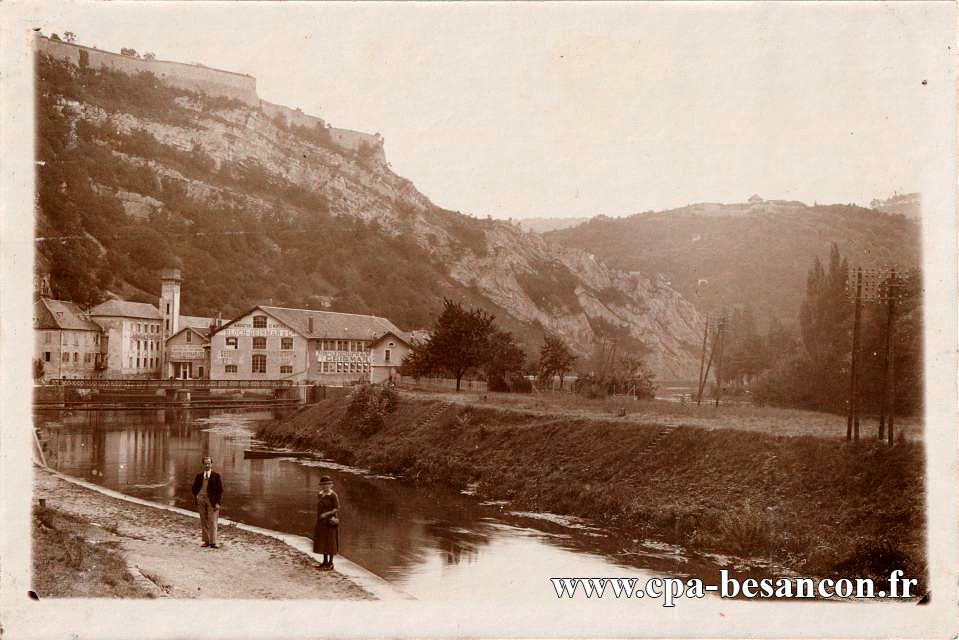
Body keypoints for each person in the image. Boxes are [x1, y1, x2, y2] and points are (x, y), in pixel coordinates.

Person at [191, 456, 223, 548]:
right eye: (205, 463)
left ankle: (213, 542)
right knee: (203, 520)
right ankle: (206, 541)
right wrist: (197, 496)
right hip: (201, 499)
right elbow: (194, 488)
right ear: (203, 465)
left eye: (209, 463)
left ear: (211, 464)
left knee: (212, 520)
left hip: (212, 501)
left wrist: (218, 503)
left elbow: (220, 491)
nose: (207, 465)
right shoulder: (199, 476)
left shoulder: (216, 476)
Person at [313, 476, 339, 570]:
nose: (325, 486)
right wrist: (321, 516)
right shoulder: (320, 494)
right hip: (321, 521)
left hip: (330, 521)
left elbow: (336, 508)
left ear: (331, 485)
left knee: (330, 541)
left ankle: (330, 563)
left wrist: (326, 514)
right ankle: (324, 562)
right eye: (323, 485)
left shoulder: (333, 495)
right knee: (323, 540)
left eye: (328, 484)